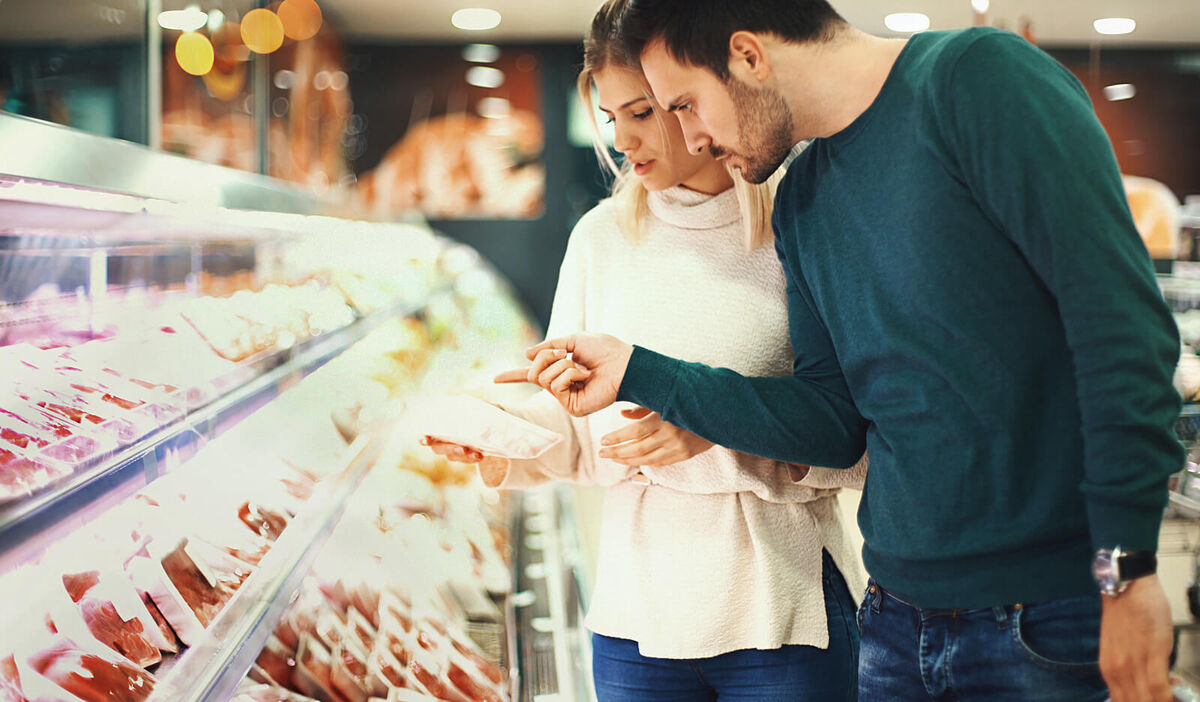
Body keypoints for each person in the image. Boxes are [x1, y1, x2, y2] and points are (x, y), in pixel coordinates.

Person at [499, 2, 1184, 701]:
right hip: (894, 618)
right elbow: (831, 421)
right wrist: (640, 373)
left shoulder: (977, 80)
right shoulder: (803, 199)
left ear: (747, 56)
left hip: (1042, 615)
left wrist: (1126, 567)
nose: (693, 136)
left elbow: (1122, 332)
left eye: (684, 104)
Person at [425, 3, 867, 699]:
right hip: (637, 619)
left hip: (780, 614)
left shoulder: (800, 225)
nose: (625, 140)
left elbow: (854, 441)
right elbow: (586, 436)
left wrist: (712, 432)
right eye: (612, 120)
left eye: (645, 111)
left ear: (695, 97)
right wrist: (500, 432)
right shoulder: (600, 239)